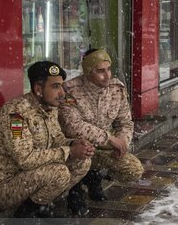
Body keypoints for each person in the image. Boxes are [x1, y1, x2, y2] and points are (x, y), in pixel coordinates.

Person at [0, 61, 95, 218]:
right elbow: (25, 159)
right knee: (59, 173)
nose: (62, 93)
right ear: (38, 89)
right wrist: (69, 151)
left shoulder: (49, 108)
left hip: (30, 177)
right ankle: (26, 215)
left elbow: (57, 139)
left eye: (62, 86)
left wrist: (74, 144)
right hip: (6, 186)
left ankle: (42, 205)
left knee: (83, 161)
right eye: (55, 87)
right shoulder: (16, 115)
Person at [59, 48, 144, 199]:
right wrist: (110, 139)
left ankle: (95, 176)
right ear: (88, 72)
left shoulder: (116, 90)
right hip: (77, 147)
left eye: (108, 69)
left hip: (103, 148)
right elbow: (73, 126)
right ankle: (74, 188)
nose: (107, 76)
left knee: (134, 169)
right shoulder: (70, 91)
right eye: (100, 71)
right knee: (81, 153)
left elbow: (124, 122)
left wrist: (123, 142)